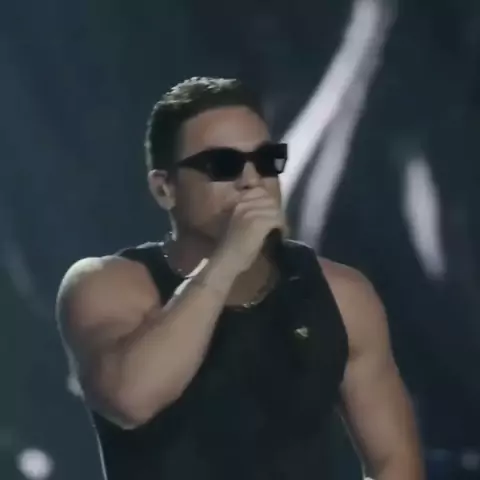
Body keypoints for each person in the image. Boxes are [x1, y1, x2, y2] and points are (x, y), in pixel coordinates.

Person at [56, 77, 424, 479]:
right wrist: (228, 260)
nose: (252, 181)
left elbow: (394, 459)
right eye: (224, 165)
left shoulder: (340, 295)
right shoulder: (106, 285)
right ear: (165, 189)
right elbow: (131, 401)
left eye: (266, 161)